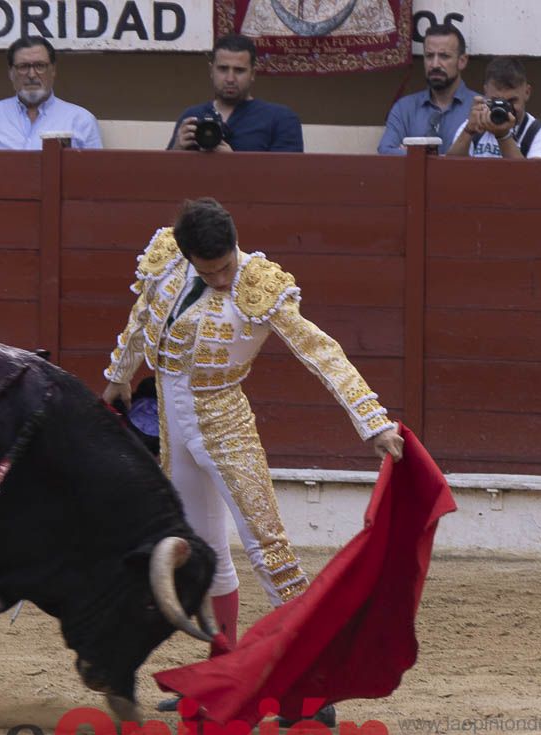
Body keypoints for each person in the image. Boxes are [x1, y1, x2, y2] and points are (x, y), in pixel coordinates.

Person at [101, 199, 404, 696]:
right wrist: (118, 375)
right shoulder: (167, 259)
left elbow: (321, 351)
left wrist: (372, 423)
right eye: (211, 270)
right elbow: (142, 318)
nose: (222, 278)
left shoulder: (260, 286)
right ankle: (222, 664)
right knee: (205, 550)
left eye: (226, 266)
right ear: (188, 257)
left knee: (270, 550)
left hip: (226, 427)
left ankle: (314, 675)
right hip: (174, 429)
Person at [168, 34, 302, 153]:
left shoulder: (281, 119)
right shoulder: (192, 116)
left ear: (253, 73)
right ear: (211, 70)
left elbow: (288, 177)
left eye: (239, 70)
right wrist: (176, 150)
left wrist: (233, 163)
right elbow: (164, 176)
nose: (230, 79)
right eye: (223, 69)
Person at [0, 35, 102, 150]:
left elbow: (95, 175)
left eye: (40, 66)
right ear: (11, 73)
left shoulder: (81, 120)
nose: (31, 74)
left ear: (53, 70)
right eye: (23, 67)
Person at [377, 24, 475, 155]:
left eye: (444, 56)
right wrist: (425, 158)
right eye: (429, 56)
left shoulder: (479, 107)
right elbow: (385, 151)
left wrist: (413, 155)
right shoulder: (405, 108)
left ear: (462, 61)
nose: (434, 64)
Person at [446, 57, 541, 159]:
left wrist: (503, 136)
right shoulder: (473, 128)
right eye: (496, 101)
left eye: (511, 101)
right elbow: (451, 171)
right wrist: (468, 131)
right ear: (485, 93)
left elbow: (532, 179)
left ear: (527, 92)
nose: (505, 109)